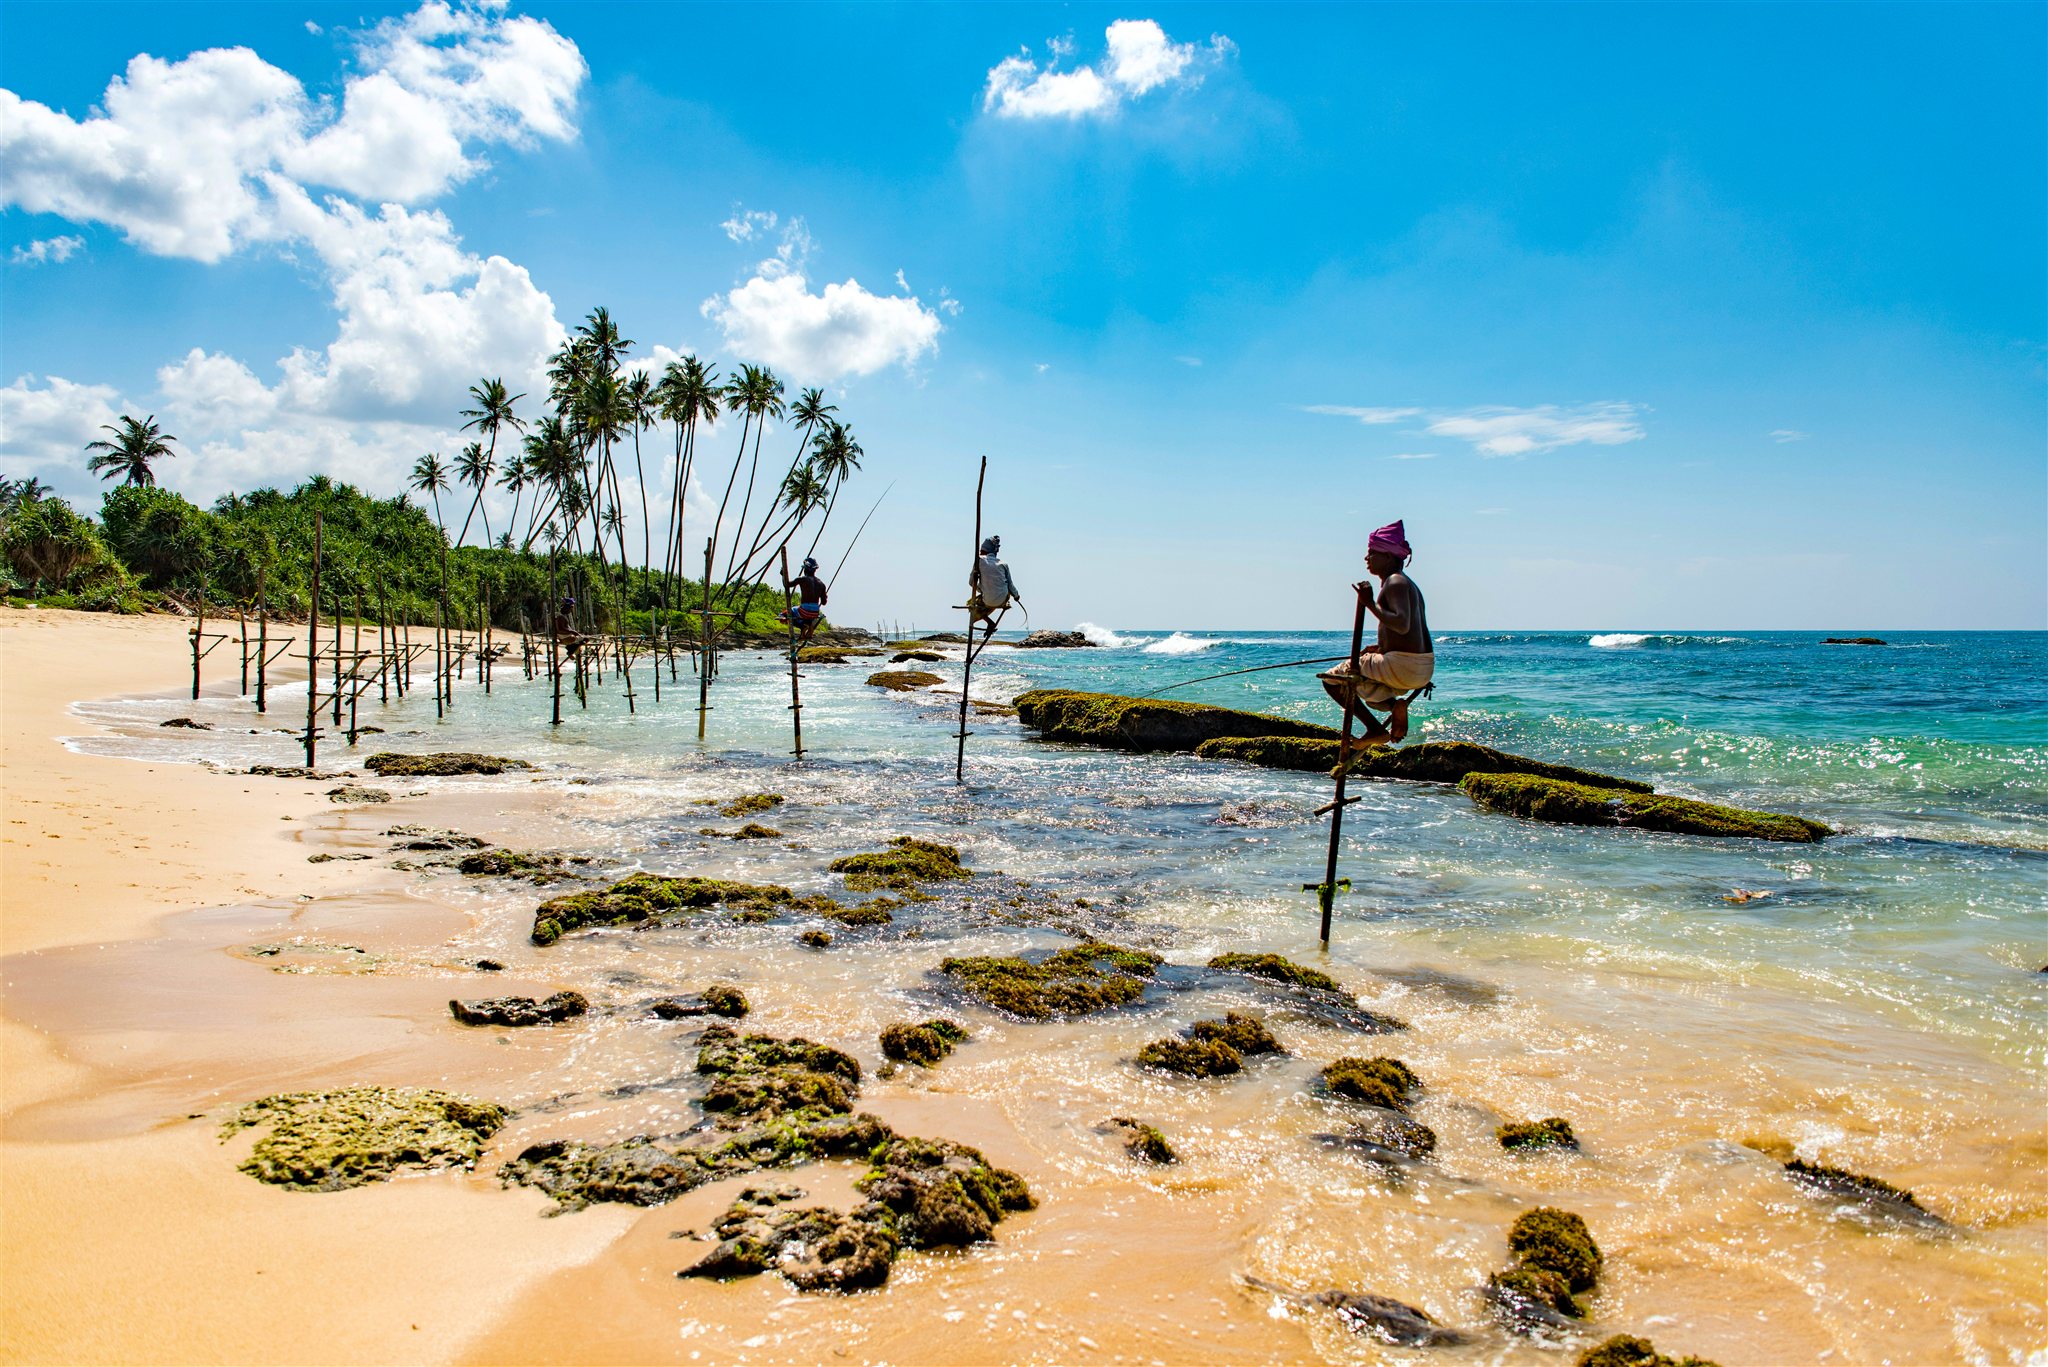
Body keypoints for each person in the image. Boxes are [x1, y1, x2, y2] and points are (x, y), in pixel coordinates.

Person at [1319, 519, 1433, 752]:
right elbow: (1411, 633)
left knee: (1332, 680)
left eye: (1372, 552)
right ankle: (1394, 706)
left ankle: (1375, 729)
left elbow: (1401, 624)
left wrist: (1369, 603)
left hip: (1401, 665)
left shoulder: (1395, 582)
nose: (1366, 558)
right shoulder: (1410, 586)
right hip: (1420, 668)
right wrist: (1380, 648)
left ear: (1389, 557)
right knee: (1369, 692)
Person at [967, 535, 1020, 644]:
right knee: (997, 594)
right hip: (1003, 599)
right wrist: (1016, 596)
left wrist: (981, 590)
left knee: (970, 604)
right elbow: (1010, 584)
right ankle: (991, 620)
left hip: (987, 600)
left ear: (983, 550)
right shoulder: (1003, 564)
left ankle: (989, 622)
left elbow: (971, 583)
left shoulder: (979, 561)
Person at [778, 557, 829, 648]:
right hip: (815, 612)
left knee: (785, 614)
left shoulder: (802, 579)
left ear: (805, 569)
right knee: (802, 615)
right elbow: (824, 602)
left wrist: (783, 575)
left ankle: (804, 627)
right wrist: (824, 595)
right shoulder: (821, 584)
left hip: (804, 610)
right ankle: (805, 629)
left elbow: (787, 585)